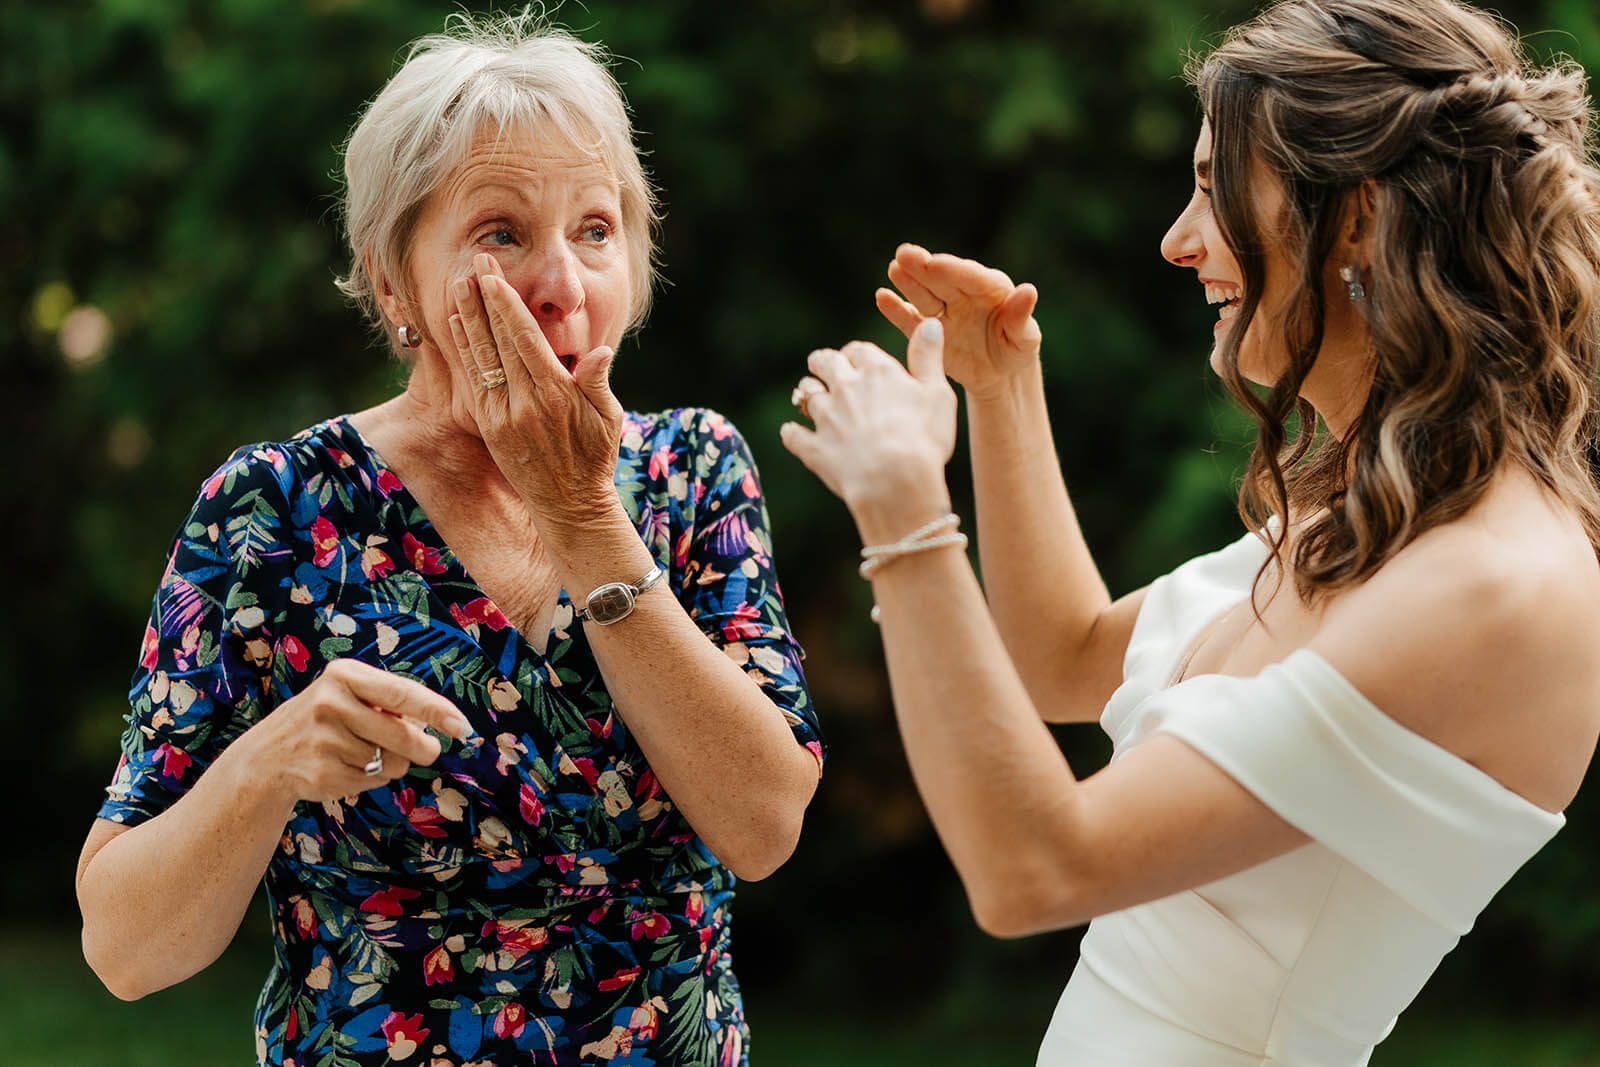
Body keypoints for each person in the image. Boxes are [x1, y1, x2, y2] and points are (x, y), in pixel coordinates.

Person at [782, 0, 1600, 1062]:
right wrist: (1001, 385)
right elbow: (1063, 660)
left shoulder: (1493, 584)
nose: (1177, 240)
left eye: (1215, 188)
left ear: (1353, 215)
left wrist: (904, 517)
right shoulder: (1371, 508)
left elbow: (1032, 869)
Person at [75, 11, 824, 1066]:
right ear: (395, 283)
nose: (562, 278)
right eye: (503, 232)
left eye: (597, 229)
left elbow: (763, 823)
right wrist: (268, 765)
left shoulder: (693, 472)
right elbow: (123, 945)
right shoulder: (273, 507)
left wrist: (580, 512)